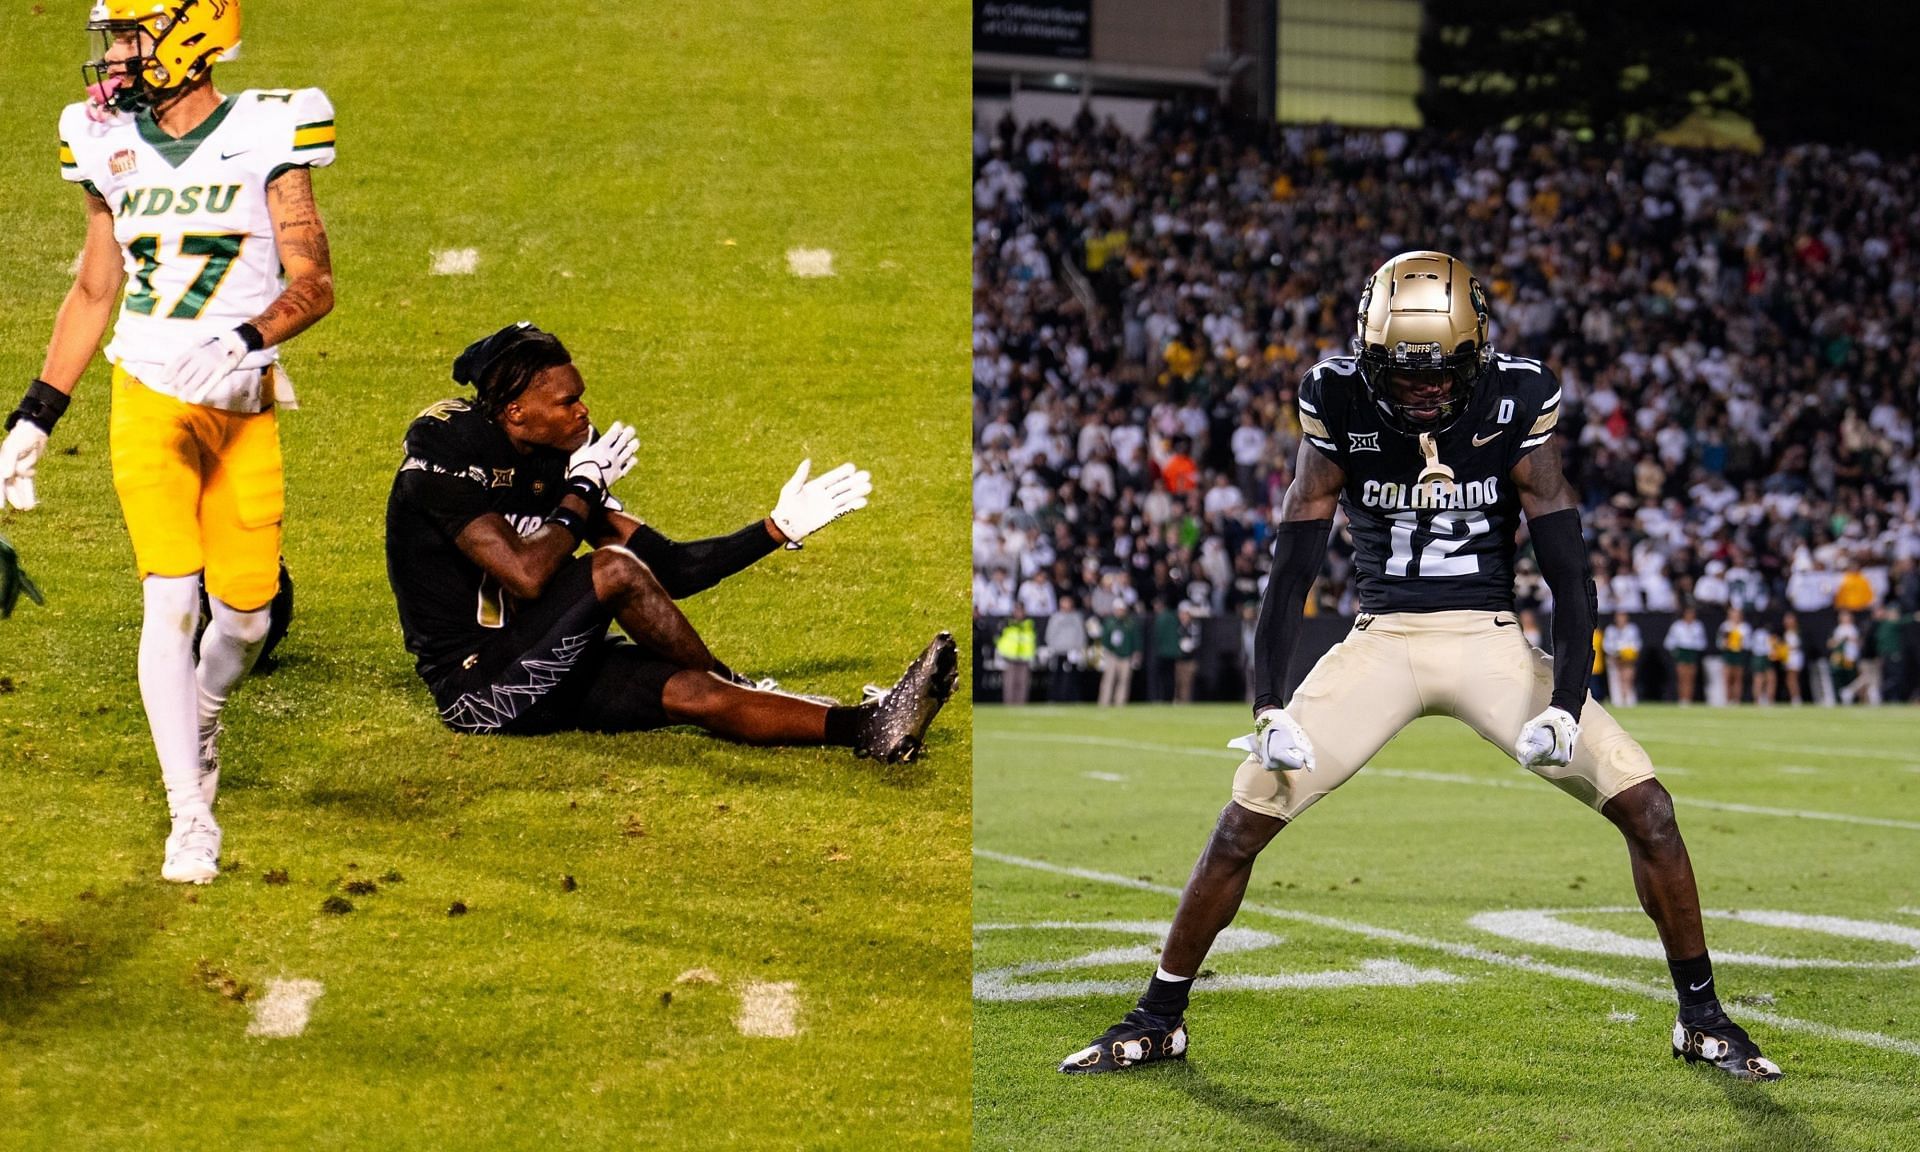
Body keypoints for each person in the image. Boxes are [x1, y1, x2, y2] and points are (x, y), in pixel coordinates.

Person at [1060, 252, 1777, 1081]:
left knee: (1649, 809)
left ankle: (1701, 1018)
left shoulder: (1518, 398)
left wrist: (1568, 704)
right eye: (1402, 377)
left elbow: (1569, 570)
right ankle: (1157, 1017)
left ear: (1477, 355)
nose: (1420, 393)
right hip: (1383, 638)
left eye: (1439, 376)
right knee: (1243, 818)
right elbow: (1292, 564)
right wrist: (1267, 706)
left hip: (1489, 640)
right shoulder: (1334, 397)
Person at [0, 0, 335, 884]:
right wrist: (33, 416)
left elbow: (316, 280)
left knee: (248, 615)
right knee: (170, 602)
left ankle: (208, 705)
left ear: (191, 35)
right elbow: (91, 290)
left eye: (130, 36)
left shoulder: (273, 123)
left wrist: (248, 340)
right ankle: (190, 813)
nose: (113, 57)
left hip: (239, 402)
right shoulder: (99, 137)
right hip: (145, 394)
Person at [384, 322, 955, 759]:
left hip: (545, 658)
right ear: (514, 412)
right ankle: (737, 682)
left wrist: (774, 530)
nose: (583, 412)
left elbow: (669, 570)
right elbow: (527, 573)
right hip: (476, 686)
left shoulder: (560, 458)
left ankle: (871, 728)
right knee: (608, 568)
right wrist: (583, 488)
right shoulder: (448, 458)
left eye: (581, 395)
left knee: (690, 692)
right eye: (565, 402)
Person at [1095, 600, 1141, 707]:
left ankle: (1120, 702)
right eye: (1118, 609)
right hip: (1112, 654)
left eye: (1122, 610)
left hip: (1126, 655)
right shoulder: (1109, 622)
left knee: (1124, 681)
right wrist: (1103, 654)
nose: (1120, 612)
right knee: (1108, 680)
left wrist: (1136, 653)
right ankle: (1104, 702)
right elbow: (1104, 639)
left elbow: (1136, 639)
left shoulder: (1130, 623)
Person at [1043, 594, 1087, 703]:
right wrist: (1052, 647)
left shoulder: (1076, 617)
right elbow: (1049, 634)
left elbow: (1081, 634)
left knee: (1072, 677)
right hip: (1058, 652)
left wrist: (1079, 648)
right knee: (1056, 676)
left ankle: (1071, 698)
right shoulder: (1055, 617)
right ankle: (1055, 698)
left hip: (1072, 652)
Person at [1665, 604, 1706, 705]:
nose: (1690, 616)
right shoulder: (1677, 626)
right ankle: (1682, 699)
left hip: (1692, 652)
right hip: (1682, 652)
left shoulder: (1698, 626)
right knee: (1681, 677)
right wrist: (1675, 651)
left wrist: (1694, 647)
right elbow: (1669, 641)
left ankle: (1688, 699)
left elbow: (1702, 642)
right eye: (1688, 613)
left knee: (1690, 678)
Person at [995, 605, 1035, 706]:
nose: (1019, 613)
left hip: (1024, 658)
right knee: (1009, 684)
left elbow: (1033, 641)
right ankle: (1008, 705)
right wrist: (1000, 654)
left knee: (1022, 684)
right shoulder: (1007, 624)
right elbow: (998, 639)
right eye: (1017, 611)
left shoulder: (1029, 625)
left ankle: (1021, 705)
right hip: (1010, 658)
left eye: (1021, 611)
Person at [1603, 610, 1641, 707]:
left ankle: (1629, 699)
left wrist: (1629, 652)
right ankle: (1617, 700)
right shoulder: (1611, 629)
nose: (1621, 619)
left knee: (1627, 678)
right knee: (1616, 678)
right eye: (1619, 617)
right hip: (1614, 657)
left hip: (1628, 658)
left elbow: (1637, 643)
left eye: (1623, 617)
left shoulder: (1632, 629)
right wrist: (1616, 652)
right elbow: (1606, 644)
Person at [1716, 606, 1749, 705]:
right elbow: (1719, 642)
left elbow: (1748, 643)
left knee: (1737, 678)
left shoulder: (1744, 627)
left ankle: (1736, 700)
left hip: (1739, 654)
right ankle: (1728, 700)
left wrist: (1741, 644)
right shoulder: (1725, 626)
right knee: (1727, 677)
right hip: (1728, 653)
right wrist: (1725, 643)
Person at [1780, 612, 1805, 705]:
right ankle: (1794, 697)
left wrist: (1785, 648)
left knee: (1792, 678)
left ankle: (1796, 698)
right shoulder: (1786, 632)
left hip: (1794, 656)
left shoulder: (1796, 631)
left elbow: (1796, 645)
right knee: (1790, 679)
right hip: (1789, 656)